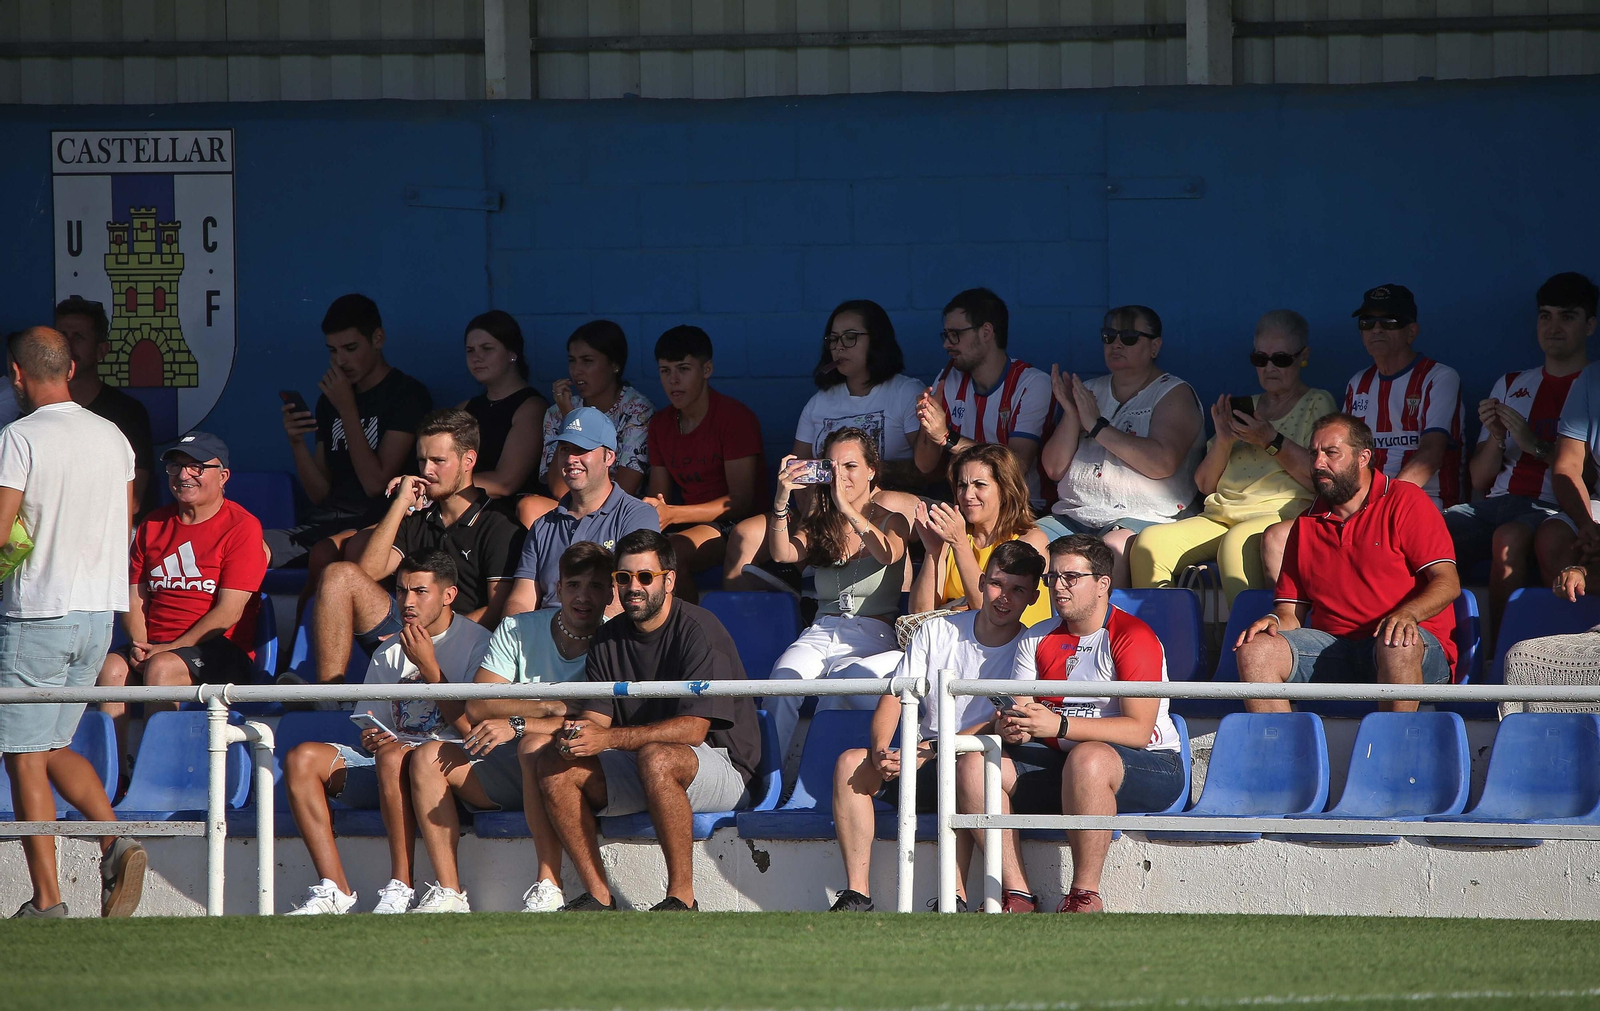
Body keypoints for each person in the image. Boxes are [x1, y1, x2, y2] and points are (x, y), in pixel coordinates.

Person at [535, 529, 763, 912]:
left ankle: (682, 897)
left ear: (669, 580)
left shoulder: (700, 630)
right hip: (646, 762)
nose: (633, 587)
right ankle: (599, 896)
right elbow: (595, 720)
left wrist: (606, 739)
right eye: (623, 578)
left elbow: (694, 730)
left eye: (645, 576)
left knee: (658, 756)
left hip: (724, 766)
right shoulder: (607, 638)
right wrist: (577, 738)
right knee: (554, 764)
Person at [0, 326, 144, 919]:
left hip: (39, 610)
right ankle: (117, 843)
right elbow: (128, 514)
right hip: (97, 616)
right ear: (72, 366)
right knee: (51, 742)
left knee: (23, 752)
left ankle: (49, 901)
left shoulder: (19, 437)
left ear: (17, 374)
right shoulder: (114, 436)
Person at [828, 541, 1042, 913]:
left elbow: (1000, 721)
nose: (1003, 597)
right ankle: (857, 894)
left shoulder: (1030, 646)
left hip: (973, 761)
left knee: (965, 767)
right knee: (851, 763)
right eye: (995, 584)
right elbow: (897, 695)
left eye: (1017, 589)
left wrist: (929, 750)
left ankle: (955, 897)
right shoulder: (936, 631)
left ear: (1033, 596)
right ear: (979, 581)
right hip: (925, 755)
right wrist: (881, 749)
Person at [408, 541, 613, 914]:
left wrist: (517, 722)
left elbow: (590, 719)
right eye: (574, 585)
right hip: (505, 763)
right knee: (426, 757)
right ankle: (449, 892)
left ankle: (548, 882)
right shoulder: (519, 627)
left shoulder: (615, 639)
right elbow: (481, 703)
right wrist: (549, 705)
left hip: (569, 768)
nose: (583, 597)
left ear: (611, 592)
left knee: (533, 745)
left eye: (596, 587)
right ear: (558, 586)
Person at [282, 551, 491, 915]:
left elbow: (471, 730)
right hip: (389, 768)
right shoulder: (389, 649)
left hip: (448, 770)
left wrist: (429, 668)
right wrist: (371, 737)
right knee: (302, 758)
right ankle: (335, 889)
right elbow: (374, 723)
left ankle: (401, 884)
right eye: (401, 590)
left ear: (448, 595)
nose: (407, 602)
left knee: (396, 755)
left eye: (420, 591)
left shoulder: (479, 643)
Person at [985, 534, 1184, 914]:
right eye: (1053, 577)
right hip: (1065, 764)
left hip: (1152, 765)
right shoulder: (1036, 637)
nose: (1058, 587)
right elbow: (1024, 713)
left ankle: (1083, 894)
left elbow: (1138, 732)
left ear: (1102, 584)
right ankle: (1016, 894)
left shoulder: (1132, 636)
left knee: (1089, 758)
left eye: (1070, 577)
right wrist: (1012, 726)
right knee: (977, 767)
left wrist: (1060, 726)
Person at [1234, 414, 1459, 715]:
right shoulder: (1306, 522)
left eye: (1331, 453)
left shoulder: (1406, 500)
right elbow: (1291, 612)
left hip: (1409, 647)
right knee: (1255, 650)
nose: (1317, 463)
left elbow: (1448, 581)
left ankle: (1393, 754)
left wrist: (1408, 614)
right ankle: (1283, 754)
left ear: (1364, 457)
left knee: (1397, 642)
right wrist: (1274, 621)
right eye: (1314, 453)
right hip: (1335, 650)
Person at [300, 410, 522, 685]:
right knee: (338, 575)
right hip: (403, 627)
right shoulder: (416, 516)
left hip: (463, 641)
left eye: (438, 461)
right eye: (421, 460)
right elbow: (368, 571)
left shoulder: (500, 523)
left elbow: (497, 608)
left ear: (469, 460)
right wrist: (400, 504)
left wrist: (432, 635)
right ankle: (329, 696)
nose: (427, 471)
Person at [1129, 311, 1334, 604]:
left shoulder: (1317, 402)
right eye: (1260, 359)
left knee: (1236, 542)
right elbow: (1204, 484)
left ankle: (1250, 642)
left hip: (1280, 515)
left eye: (1281, 359)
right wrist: (1224, 441)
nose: (1270, 367)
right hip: (1221, 516)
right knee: (1149, 543)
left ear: (1303, 356)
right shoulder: (1245, 407)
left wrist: (1270, 440)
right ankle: (1164, 639)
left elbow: (1319, 479)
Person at [722, 300, 923, 591]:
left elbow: (927, 469)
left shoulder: (905, 392)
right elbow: (800, 468)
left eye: (850, 337)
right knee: (745, 534)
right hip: (823, 514)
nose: (838, 347)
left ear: (877, 340)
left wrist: (851, 476)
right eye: (833, 339)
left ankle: (795, 569)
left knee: (883, 500)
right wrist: (805, 487)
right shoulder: (820, 402)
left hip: (882, 507)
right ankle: (741, 627)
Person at [96, 432, 268, 764]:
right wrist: (140, 642)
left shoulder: (242, 527)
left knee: (161, 668)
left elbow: (229, 612)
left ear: (223, 476)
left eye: (196, 467)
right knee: (111, 669)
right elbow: (134, 596)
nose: (184, 475)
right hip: (156, 644)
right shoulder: (153, 524)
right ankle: (112, 779)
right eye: (176, 466)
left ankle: (156, 773)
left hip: (218, 649)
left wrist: (167, 650)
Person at [1448, 273, 1595, 626]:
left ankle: (1496, 657)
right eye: (1545, 316)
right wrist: (1499, 437)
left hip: (1552, 509)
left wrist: (1534, 444)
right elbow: (1480, 479)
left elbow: (1589, 476)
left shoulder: (1593, 386)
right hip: (1496, 503)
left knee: (1509, 537)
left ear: (1590, 326)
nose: (1553, 327)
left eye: (1567, 316)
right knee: (1427, 529)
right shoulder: (1512, 382)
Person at [764, 428, 912, 757]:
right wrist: (781, 499)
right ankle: (767, 779)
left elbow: (888, 553)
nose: (840, 475)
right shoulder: (820, 521)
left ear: (872, 469)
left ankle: (814, 778)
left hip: (872, 631)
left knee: (837, 693)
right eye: (832, 466)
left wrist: (846, 507)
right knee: (781, 682)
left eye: (850, 466)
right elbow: (782, 554)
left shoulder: (894, 520)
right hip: (822, 628)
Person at [1038, 305, 1205, 587]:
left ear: (1155, 345)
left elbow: (1161, 463)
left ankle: (1103, 630)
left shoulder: (1174, 392)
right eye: (1109, 336)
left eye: (1128, 337)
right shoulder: (1089, 390)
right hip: (1074, 514)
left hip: (1141, 518)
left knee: (1108, 552)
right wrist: (1071, 413)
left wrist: (1097, 426)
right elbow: (1054, 468)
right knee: (1026, 550)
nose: (1116, 343)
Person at [269, 293, 432, 574]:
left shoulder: (406, 394)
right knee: (245, 545)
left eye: (350, 348)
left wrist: (348, 409)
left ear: (377, 339)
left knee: (326, 555)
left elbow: (375, 484)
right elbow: (320, 493)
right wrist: (297, 442)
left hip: (373, 524)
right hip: (322, 522)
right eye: (333, 351)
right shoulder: (331, 398)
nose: (341, 360)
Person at [644, 325, 765, 602]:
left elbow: (740, 502)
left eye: (683, 369)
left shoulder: (734, 418)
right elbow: (658, 494)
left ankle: (696, 635)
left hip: (736, 526)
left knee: (668, 555)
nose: (673, 380)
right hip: (686, 522)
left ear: (706, 370)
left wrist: (673, 514)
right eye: (665, 371)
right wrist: (659, 510)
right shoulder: (661, 424)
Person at [503, 407, 660, 615]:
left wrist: (575, 638)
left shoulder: (637, 516)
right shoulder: (542, 525)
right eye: (565, 449)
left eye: (582, 449)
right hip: (544, 637)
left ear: (609, 457)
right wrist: (514, 636)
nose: (570, 459)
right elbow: (521, 599)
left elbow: (631, 597)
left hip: (603, 640)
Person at [912, 288, 1051, 507]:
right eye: (946, 335)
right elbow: (924, 464)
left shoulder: (1032, 383)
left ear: (986, 332)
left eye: (955, 335)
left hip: (1020, 507)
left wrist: (946, 437)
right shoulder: (949, 378)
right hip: (965, 504)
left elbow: (1016, 465)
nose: (946, 344)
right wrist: (927, 421)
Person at [1341, 284, 1464, 508]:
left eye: (1389, 321)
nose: (1376, 329)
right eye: (1367, 322)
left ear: (1412, 332)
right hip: (1363, 504)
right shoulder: (1358, 383)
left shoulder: (1439, 377)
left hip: (1424, 503)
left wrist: (1384, 506)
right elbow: (1344, 454)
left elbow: (1431, 453)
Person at [522, 320, 655, 528]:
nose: (577, 371)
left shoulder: (637, 410)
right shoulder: (558, 411)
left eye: (587, 361)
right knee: (529, 506)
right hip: (571, 510)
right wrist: (570, 417)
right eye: (572, 361)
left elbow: (626, 488)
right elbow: (559, 489)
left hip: (615, 515)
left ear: (614, 365)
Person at [910, 443, 1053, 628]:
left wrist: (959, 543)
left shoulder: (1031, 541)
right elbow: (918, 617)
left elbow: (991, 612)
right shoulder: (954, 538)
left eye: (979, 485)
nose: (967, 494)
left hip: (1012, 650)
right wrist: (932, 551)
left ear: (1005, 490)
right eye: (962, 485)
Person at [53, 296, 155, 517]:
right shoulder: (37, 412)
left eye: (78, 337)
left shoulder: (127, 413)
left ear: (102, 350)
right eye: (61, 337)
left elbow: (133, 500)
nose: (68, 346)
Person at [1535, 274, 1600, 593]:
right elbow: (1566, 466)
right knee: (1553, 537)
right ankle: (1577, 636)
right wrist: (1588, 525)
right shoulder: (1592, 378)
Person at [460, 310, 546, 499]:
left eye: (487, 348)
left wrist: (443, 484)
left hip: (505, 516)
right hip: (458, 510)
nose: (477, 357)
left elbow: (505, 483)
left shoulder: (532, 407)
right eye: (470, 350)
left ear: (512, 353)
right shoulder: (465, 408)